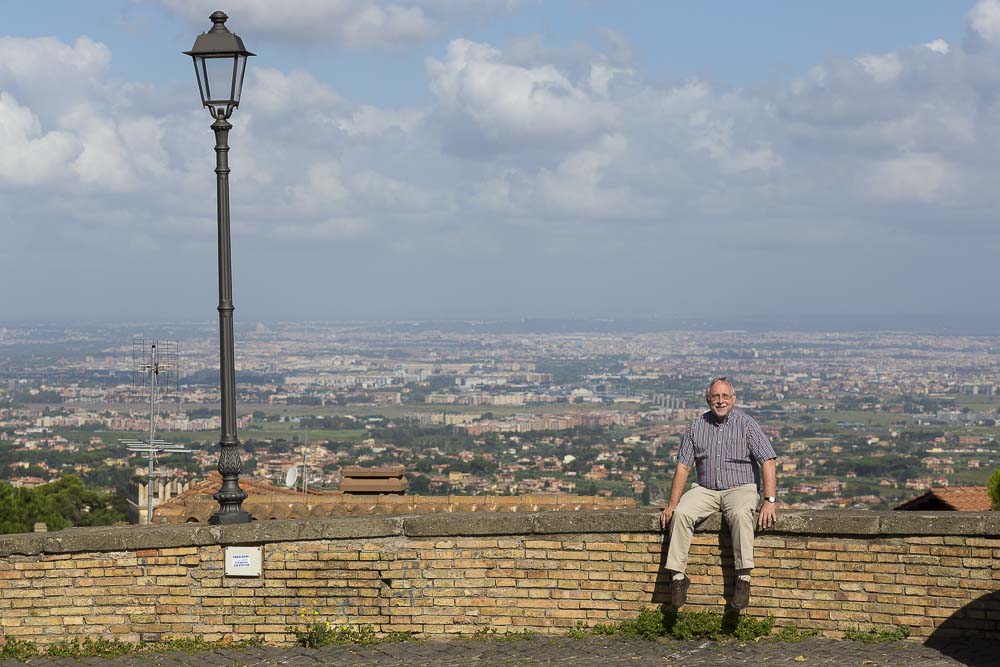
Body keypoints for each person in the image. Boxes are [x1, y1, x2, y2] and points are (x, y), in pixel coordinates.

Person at [659, 377, 777, 610]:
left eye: (725, 396)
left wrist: (769, 501)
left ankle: (743, 578)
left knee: (742, 514)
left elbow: (768, 461)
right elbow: (683, 467)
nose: (720, 401)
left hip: (741, 488)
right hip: (706, 489)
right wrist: (672, 504)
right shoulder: (696, 426)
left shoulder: (747, 424)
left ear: (733, 399)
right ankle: (678, 578)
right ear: (708, 399)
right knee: (681, 513)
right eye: (716, 397)